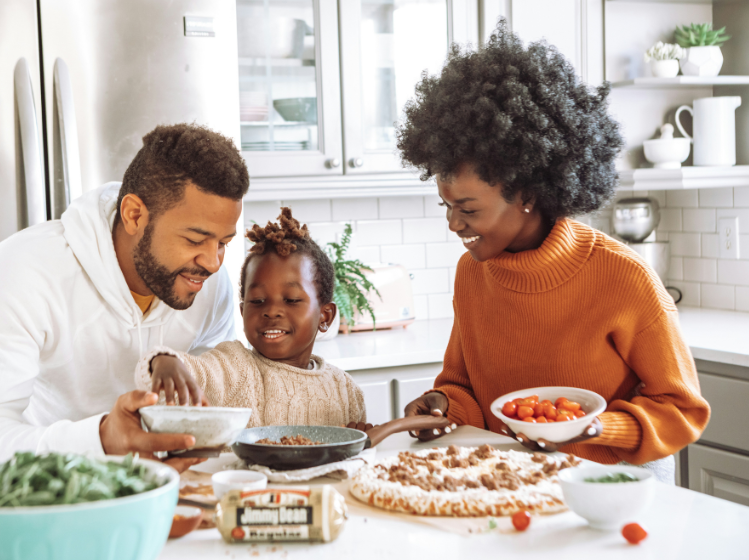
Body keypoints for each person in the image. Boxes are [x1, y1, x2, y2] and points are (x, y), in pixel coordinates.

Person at [400, 24, 710, 483]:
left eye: (467, 208)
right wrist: (442, 404)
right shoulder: (472, 273)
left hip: (611, 483)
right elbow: (462, 387)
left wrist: (594, 427)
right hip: (510, 477)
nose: (452, 223)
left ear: (526, 192)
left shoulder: (623, 277)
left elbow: (681, 409)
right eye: (446, 205)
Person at [0, 123, 249, 486]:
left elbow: (206, 385)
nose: (214, 262)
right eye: (195, 239)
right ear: (134, 215)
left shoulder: (207, 285)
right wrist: (101, 439)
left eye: (224, 243)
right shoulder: (24, 272)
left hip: (115, 470)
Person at [134, 208, 368, 429]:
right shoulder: (233, 367)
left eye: (291, 300)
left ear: (325, 316)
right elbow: (191, 373)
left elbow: (355, 455)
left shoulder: (345, 390)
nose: (272, 311)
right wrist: (162, 361)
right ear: (243, 310)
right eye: (257, 301)